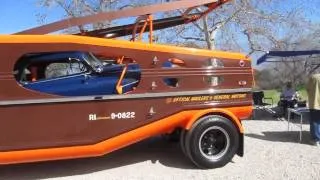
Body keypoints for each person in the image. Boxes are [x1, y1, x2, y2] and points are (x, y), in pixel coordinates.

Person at [307, 74, 320, 146]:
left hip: (315, 103)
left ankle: (316, 140)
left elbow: (308, 89)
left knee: (315, 122)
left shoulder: (313, 77)